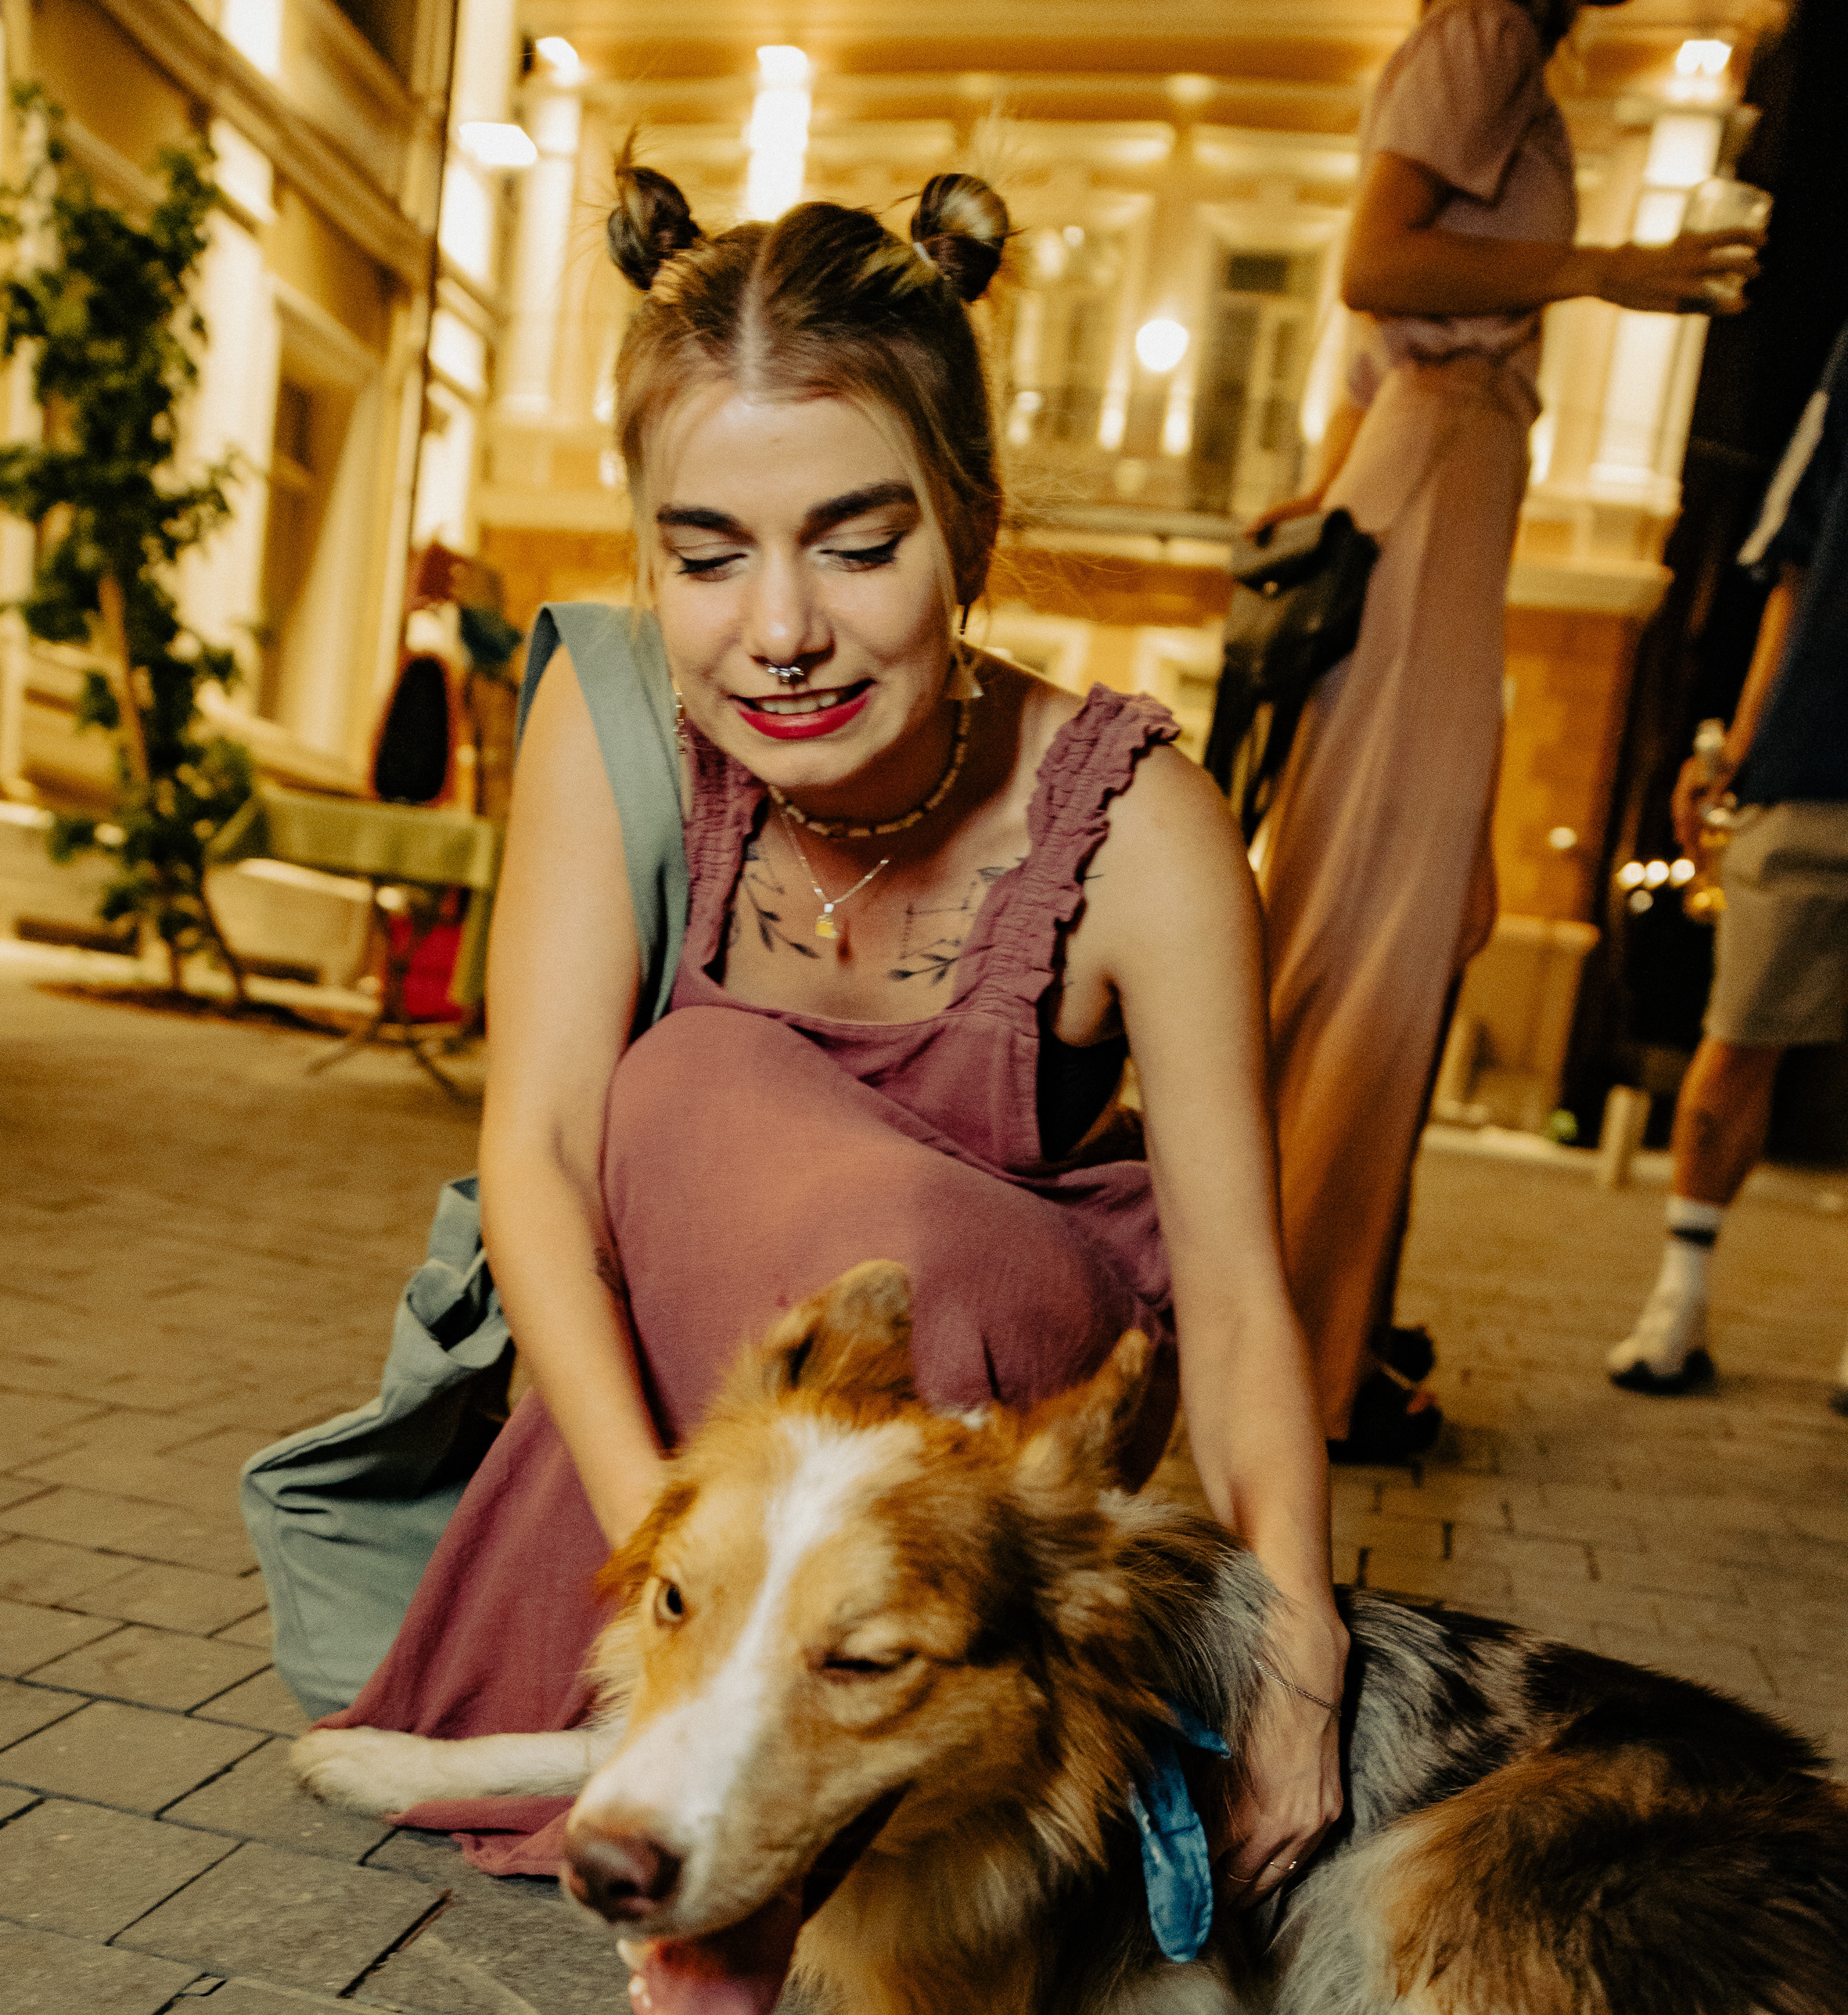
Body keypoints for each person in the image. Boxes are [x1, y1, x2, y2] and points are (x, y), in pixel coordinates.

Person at [320, 163, 1348, 1905]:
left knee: (881, 1223)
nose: (783, 631)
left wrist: (1299, 1655)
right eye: (706, 557)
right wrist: (676, 1586)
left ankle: (853, 1757)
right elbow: (543, 1152)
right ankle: (649, 1722)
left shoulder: (1146, 834)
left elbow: (1242, 1298)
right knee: (686, 1081)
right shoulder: (612, 706)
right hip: (662, 1472)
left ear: (967, 518)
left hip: (951, 1482)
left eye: (858, 546)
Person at [1251, 0, 1760, 1462]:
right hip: (1446, 460)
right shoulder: (1481, 24)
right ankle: (1305, 1356)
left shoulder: (1500, 45)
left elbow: (1367, 335)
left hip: (1434, 466)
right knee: (1381, 945)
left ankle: (1328, 1311)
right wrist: (1613, 269)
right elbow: (1379, 263)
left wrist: (1324, 485)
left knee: (1403, 921)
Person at [1608, 321, 1848, 1397]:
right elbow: (1793, 554)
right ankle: (1678, 1305)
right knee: (1736, 1034)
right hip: (1814, 753)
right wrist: (1734, 747)